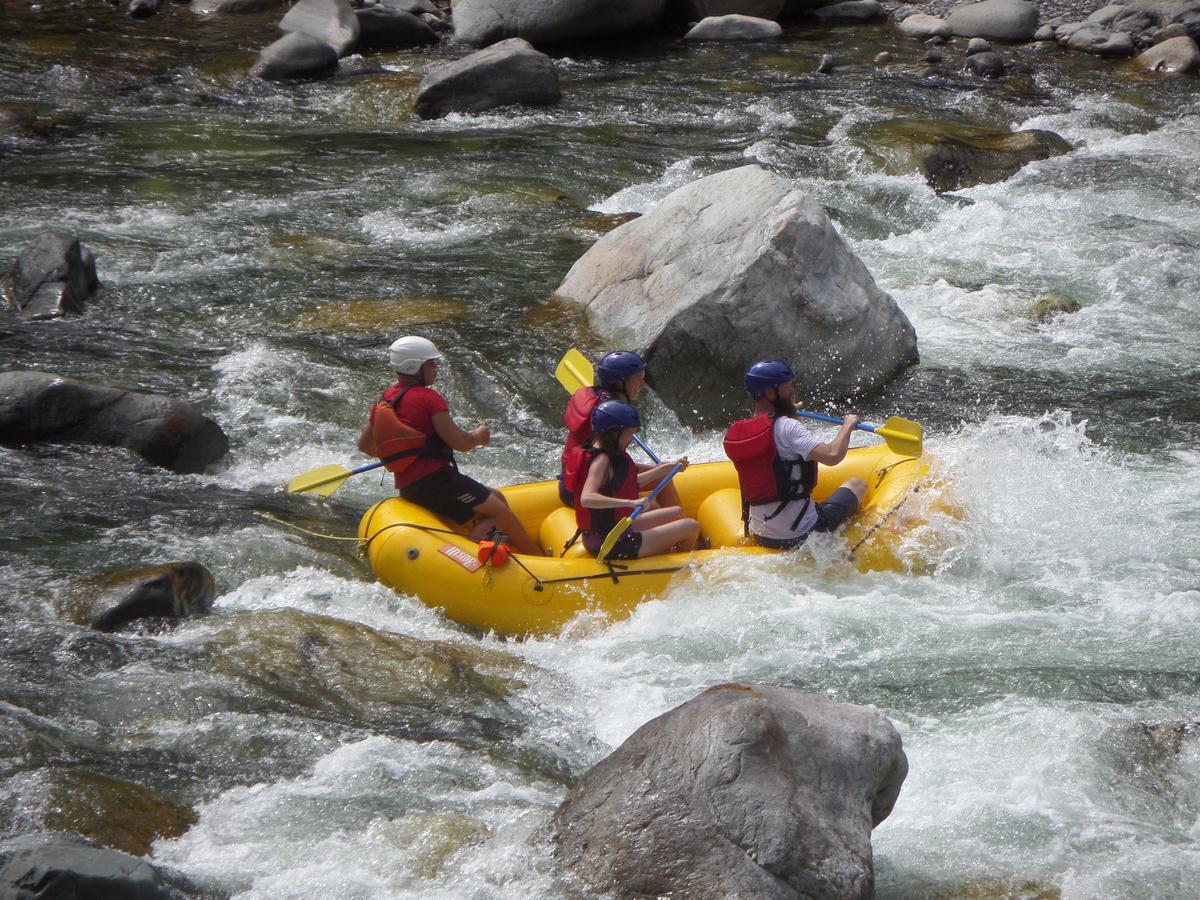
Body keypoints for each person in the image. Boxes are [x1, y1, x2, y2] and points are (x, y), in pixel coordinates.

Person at [358, 335, 544, 557]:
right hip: (437, 482)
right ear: (414, 366)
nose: (436, 368)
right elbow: (460, 442)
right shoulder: (429, 398)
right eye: (431, 363)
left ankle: (521, 554)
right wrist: (479, 436)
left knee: (497, 498)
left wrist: (400, 451)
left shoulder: (385, 399)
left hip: (410, 486)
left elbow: (366, 446)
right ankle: (526, 559)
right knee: (499, 512)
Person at [723, 360, 866, 550]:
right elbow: (833, 455)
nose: (792, 392)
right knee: (858, 484)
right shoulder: (788, 427)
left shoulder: (737, 434)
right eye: (787, 388)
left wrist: (787, 414)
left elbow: (775, 448)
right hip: (802, 534)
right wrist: (847, 425)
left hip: (762, 536)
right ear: (770, 393)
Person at [573, 400, 700, 560]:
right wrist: (629, 503)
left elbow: (629, 484)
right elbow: (587, 498)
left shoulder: (602, 451)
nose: (631, 439)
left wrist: (665, 469)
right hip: (610, 542)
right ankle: (678, 568)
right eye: (628, 434)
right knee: (691, 526)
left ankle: (665, 553)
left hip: (614, 528)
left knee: (677, 513)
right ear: (614, 433)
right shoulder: (602, 460)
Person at [558, 350, 680, 511]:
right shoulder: (609, 415)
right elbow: (609, 468)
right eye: (638, 380)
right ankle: (681, 526)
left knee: (664, 475)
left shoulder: (600, 405)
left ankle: (681, 522)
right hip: (581, 488)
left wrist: (660, 470)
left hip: (577, 478)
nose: (642, 386)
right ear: (620, 382)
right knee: (654, 506)